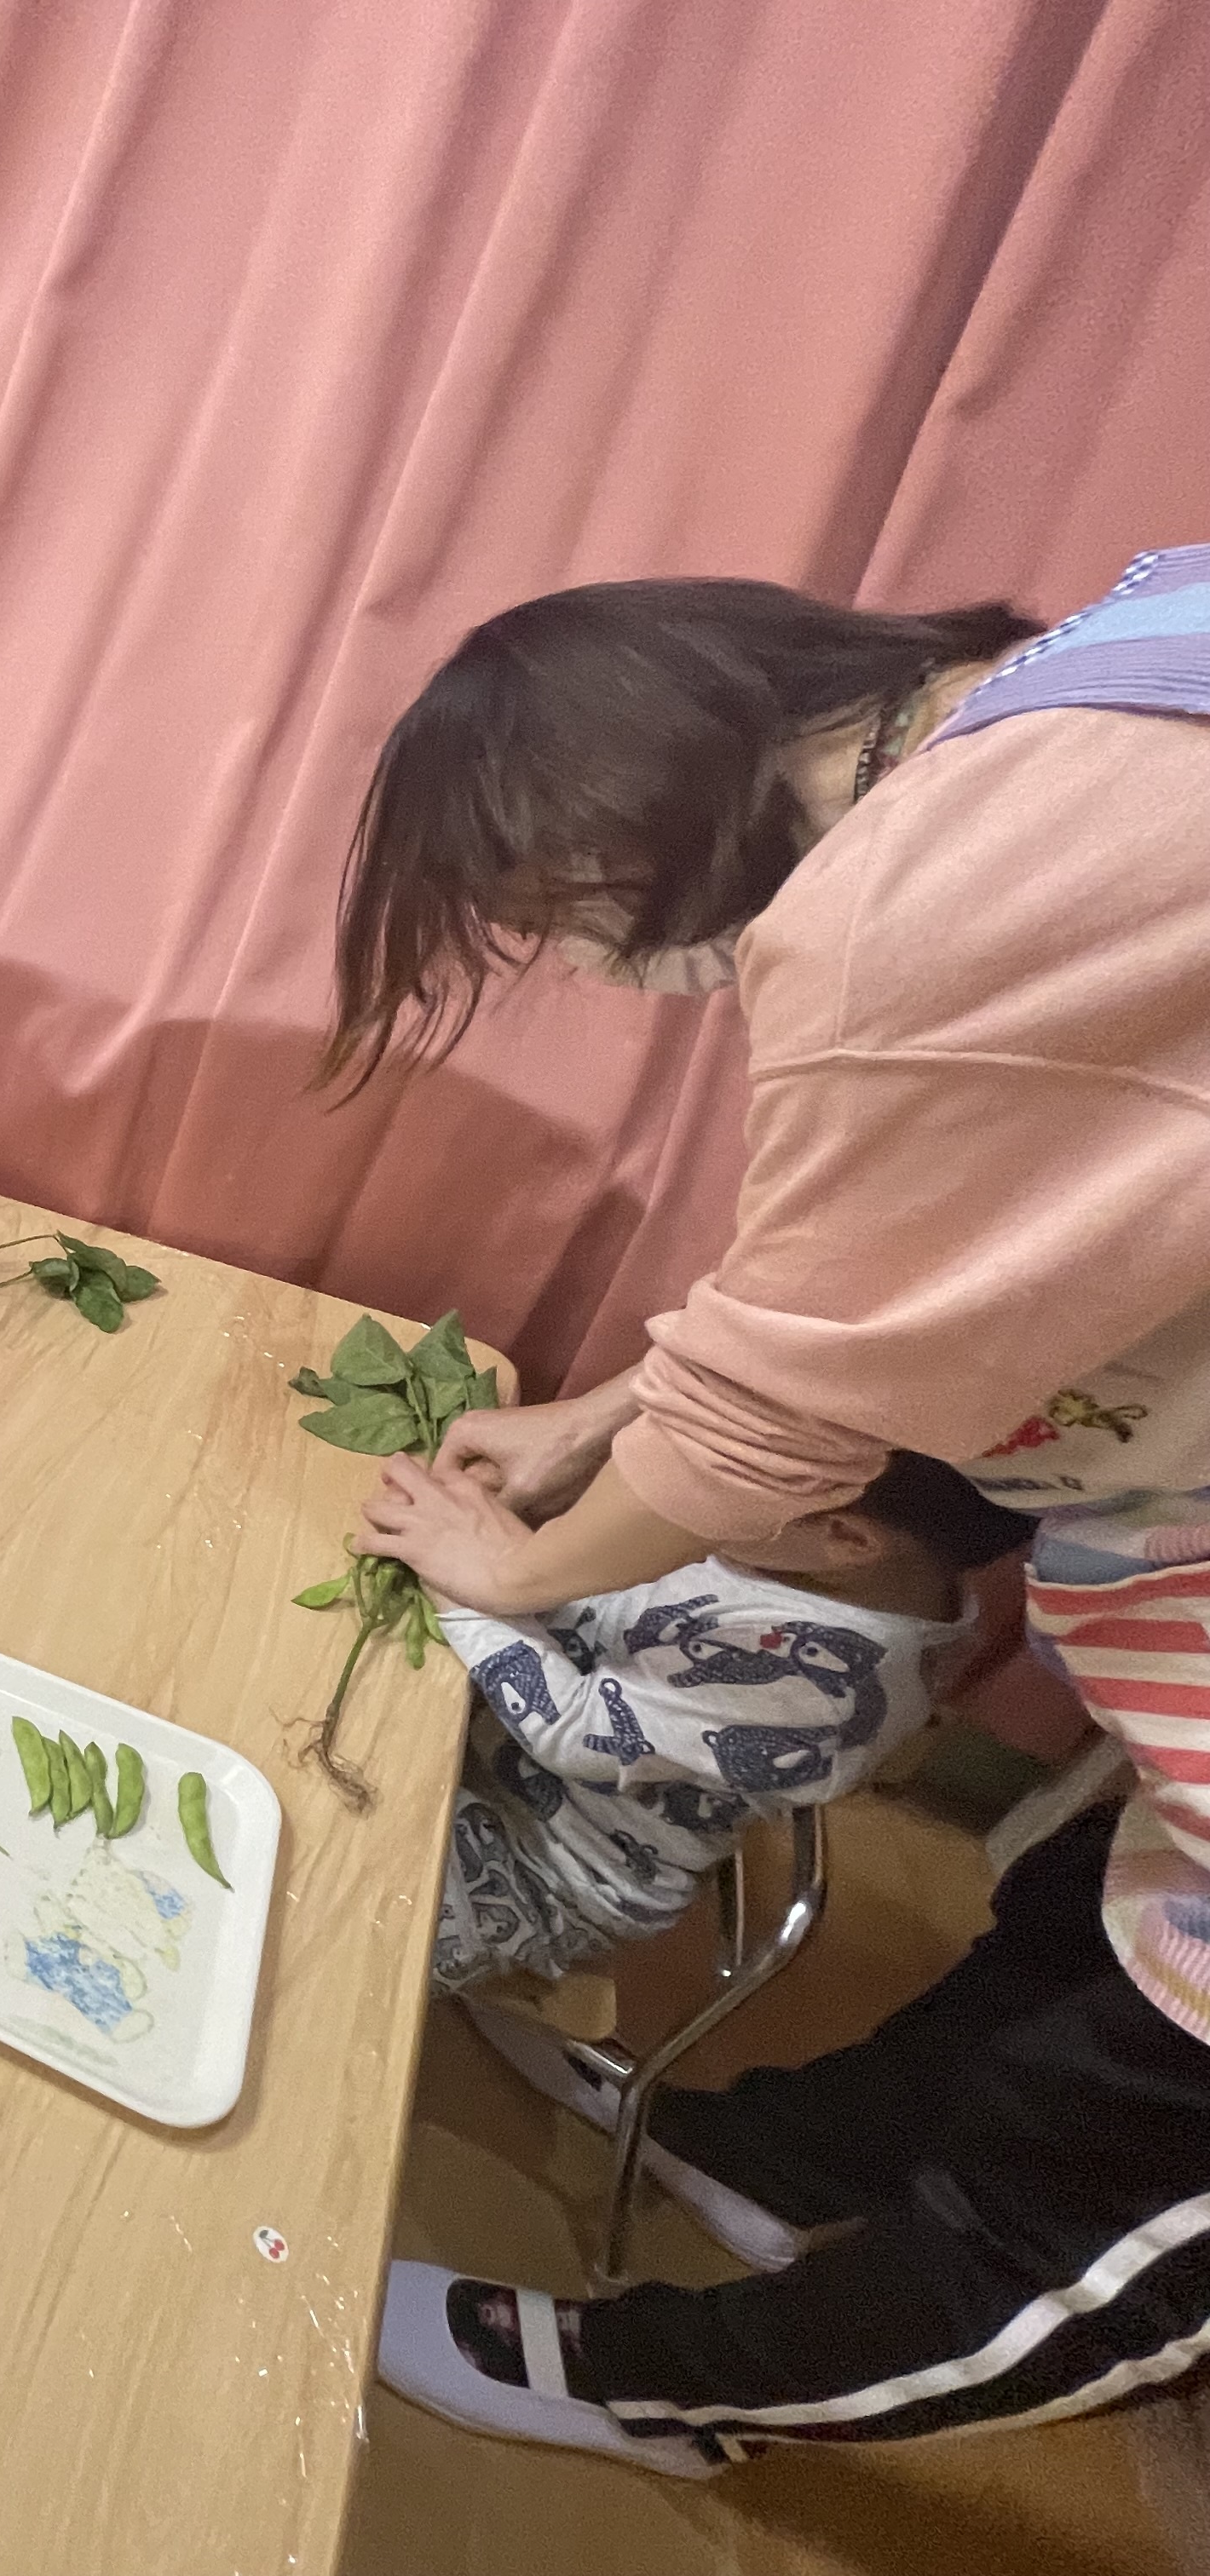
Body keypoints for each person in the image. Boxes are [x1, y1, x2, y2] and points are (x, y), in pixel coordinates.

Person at [325, 560, 1210, 2472]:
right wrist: (593, 1426)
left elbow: (795, 1394)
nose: (571, 973)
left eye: (544, 925)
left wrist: (519, 1578)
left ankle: (670, 2386)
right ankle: (773, 2151)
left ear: (604, 829)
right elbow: (868, 1286)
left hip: (614, 1845)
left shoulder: (926, 903)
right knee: (1074, 1934)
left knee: (1112, 2184)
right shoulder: (1058, 695)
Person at [429, 1450, 1021, 1994]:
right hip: (492, 1752)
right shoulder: (791, 1542)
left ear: (842, 1535)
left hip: (545, 1874)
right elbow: (606, 1603)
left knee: (345, 1913)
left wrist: (460, 1582)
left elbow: (575, 1730)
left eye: (713, 1484)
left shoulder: (825, 1686)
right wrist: (507, 1535)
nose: (679, 1486)